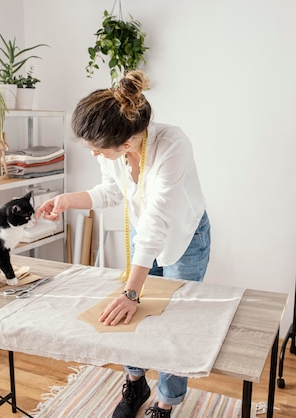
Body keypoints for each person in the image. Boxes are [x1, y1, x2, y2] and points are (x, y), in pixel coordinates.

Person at [36, 70, 210, 418]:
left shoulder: (172, 146)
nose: (94, 155)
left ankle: (165, 403)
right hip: (144, 232)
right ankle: (136, 382)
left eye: (97, 149)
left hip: (182, 238)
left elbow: (159, 220)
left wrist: (132, 291)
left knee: (173, 323)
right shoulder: (114, 151)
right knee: (131, 313)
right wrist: (70, 199)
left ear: (127, 143)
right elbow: (113, 192)